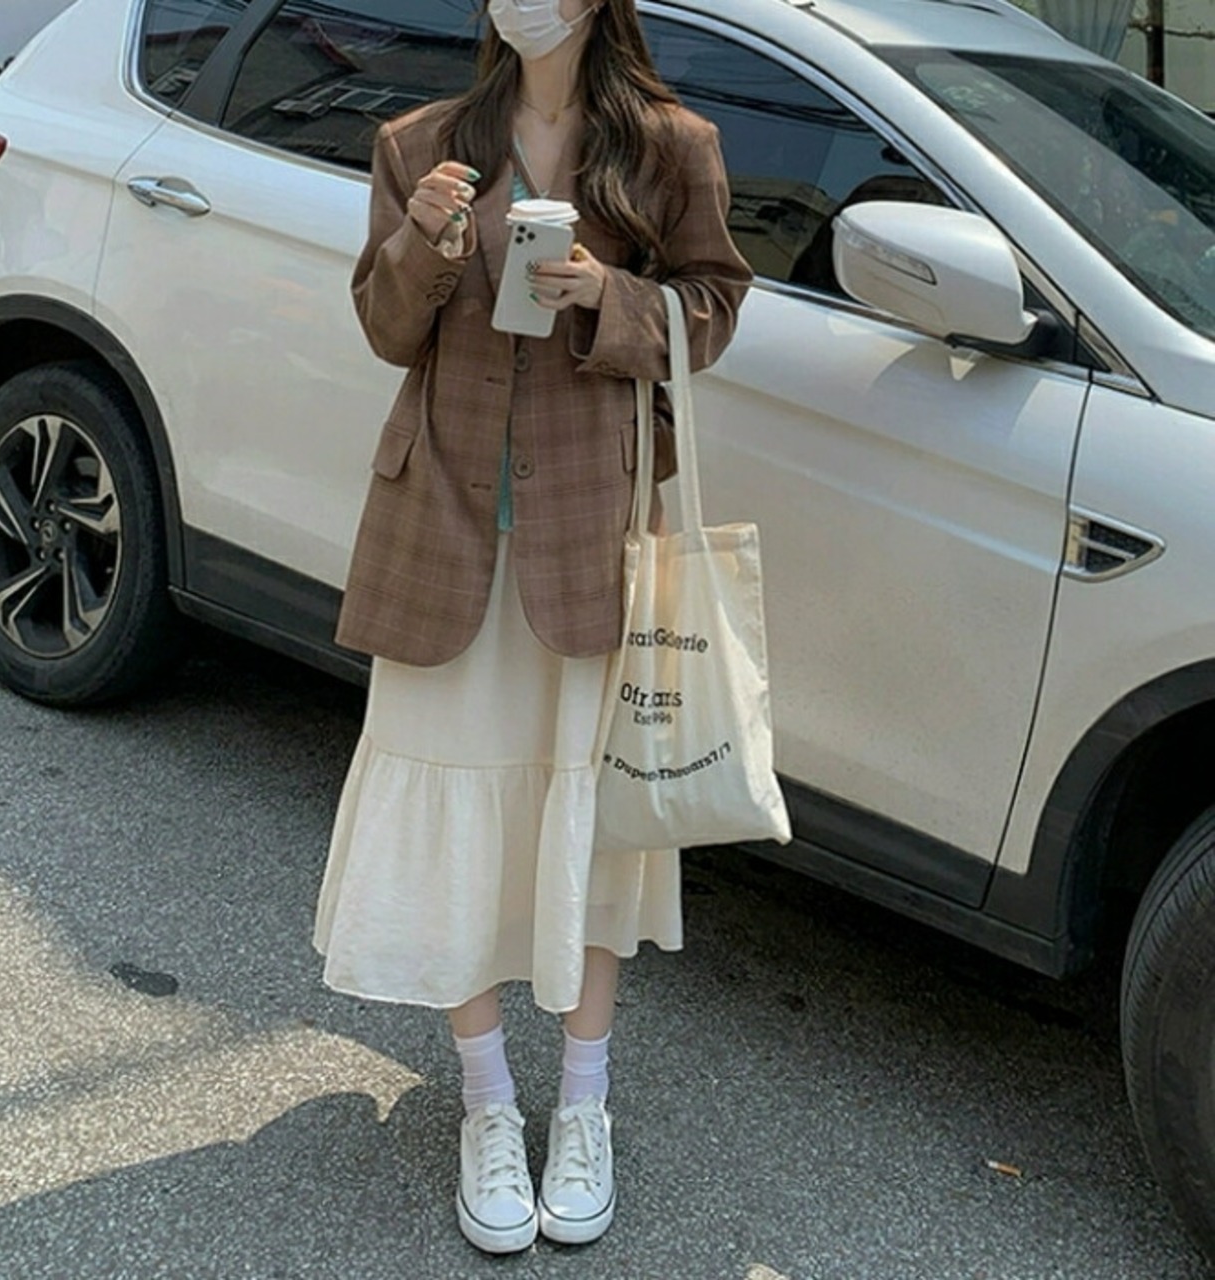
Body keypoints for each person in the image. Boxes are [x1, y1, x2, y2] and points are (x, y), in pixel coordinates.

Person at [314, 0, 752, 1254]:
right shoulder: (420, 143)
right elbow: (385, 329)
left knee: (587, 827)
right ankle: (488, 1103)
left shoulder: (669, 146)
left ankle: (585, 1103)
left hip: (588, 535)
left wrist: (608, 294)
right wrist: (426, 237)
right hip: (442, 526)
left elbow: (714, 308)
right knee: (447, 823)